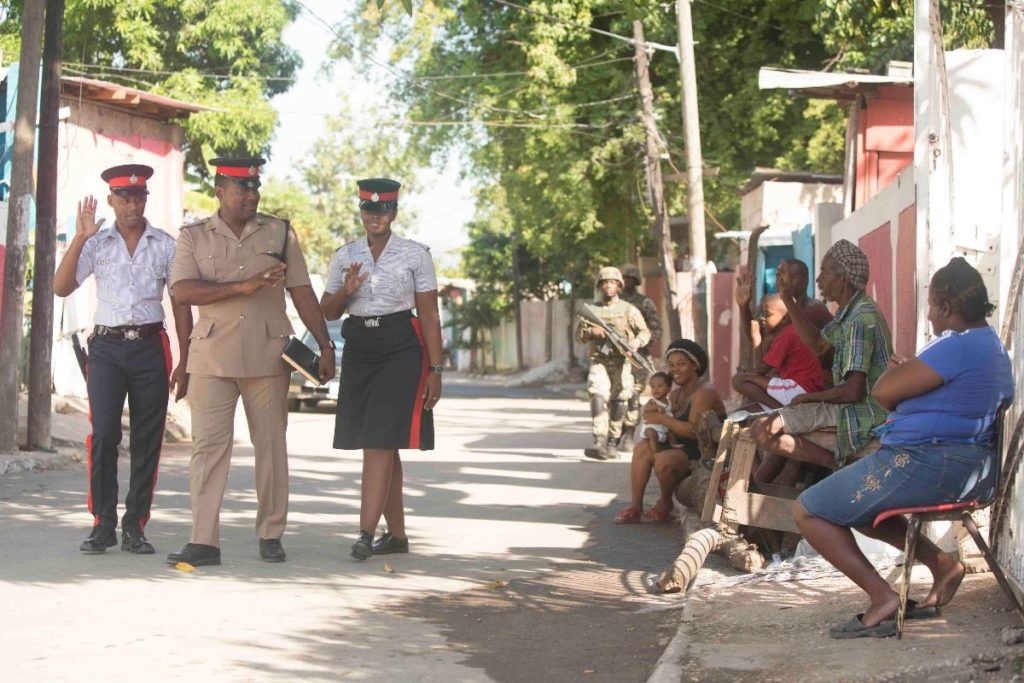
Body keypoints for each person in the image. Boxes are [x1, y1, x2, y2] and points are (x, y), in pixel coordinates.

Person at [795, 257, 1013, 639]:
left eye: (931, 305)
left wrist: (902, 373)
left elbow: (881, 392)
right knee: (857, 508)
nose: (928, 314)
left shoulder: (955, 347)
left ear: (946, 308)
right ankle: (943, 563)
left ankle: (882, 595)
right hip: (962, 466)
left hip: (926, 463)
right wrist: (915, 370)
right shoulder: (987, 344)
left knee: (808, 509)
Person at [166, 157, 335, 567]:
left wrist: (326, 344)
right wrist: (243, 285)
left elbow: (302, 292)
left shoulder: (279, 233)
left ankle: (271, 533)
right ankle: (204, 540)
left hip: (267, 353)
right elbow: (183, 290)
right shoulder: (193, 237)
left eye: (255, 188)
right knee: (207, 449)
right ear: (219, 191)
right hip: (212, 356)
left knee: (272, 446)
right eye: (242, 188)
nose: (251, 195)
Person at [53, 164, 192, 555]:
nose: (131, 204)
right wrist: (79, 238)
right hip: (107, 350)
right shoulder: (96, 244)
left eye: (138, 196)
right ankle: (103, 524)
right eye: (123, 197)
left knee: (149, 438)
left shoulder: (165, 244)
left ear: (145, 199)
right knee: (105, 435)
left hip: (150, 345)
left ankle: (135, 525)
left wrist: (186, 358)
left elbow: (181, 304)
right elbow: (62, 286)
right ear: (111, 201)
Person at [321, 178, 443, 561]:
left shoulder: (415, 255)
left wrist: (436, 369)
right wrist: (347, 288)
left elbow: (429, 314)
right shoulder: (345, 255)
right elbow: (329, 311)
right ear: (361, 212)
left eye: (384, 210)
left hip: (401, 347)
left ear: (394, 213)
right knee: (382, 442)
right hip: (360, 346)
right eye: (369, 210)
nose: (376, 216)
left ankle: (364, 532)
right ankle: (398, 536)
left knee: (378, 440)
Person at [750, 240, 892, 481]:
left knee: (761, 430)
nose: (819, 281)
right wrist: (787, 298)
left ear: (843, 278)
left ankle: (837, 464)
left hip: (860, 412)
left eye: (824, 273)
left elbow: (852, 392)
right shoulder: (850, 312)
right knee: (782, 427)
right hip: (852, 406)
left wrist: (810, 397)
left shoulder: (859, 320)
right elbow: (817, 344)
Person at [615, 339, 726, 524]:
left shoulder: (705, 391)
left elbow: (693, 431)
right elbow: (667, 425)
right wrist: (652, 411)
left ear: (695, 365)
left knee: (664, 459)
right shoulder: (675, 394)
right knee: (642, 448)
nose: (675, 369)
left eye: (681, 364)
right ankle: (636, 507)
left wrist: (660, 418)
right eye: (671, 365)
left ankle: (665, 504)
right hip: (681, 448)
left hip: (703, 455)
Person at [576, 266, 650, 461]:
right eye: (604, 283)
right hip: (599, 360)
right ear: (599, 286)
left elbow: (645, 332)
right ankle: (598, 440)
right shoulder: (592, 310)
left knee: (620, 399)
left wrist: (635, 343)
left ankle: (612, 441)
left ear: (619, 286)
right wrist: (592, 332)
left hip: (622, 362)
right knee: (598, 395)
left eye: (612, 283)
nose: (608, 286)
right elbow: (579, 336)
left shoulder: (628, 309)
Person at [736, 259, 833, 371]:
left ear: (804, 282)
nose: (779, 279)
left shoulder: (814, 308)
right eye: (777, 275)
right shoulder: (774, 303)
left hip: (810, 377)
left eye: (784, 275)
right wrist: (743, 306)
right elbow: (754, 335)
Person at [732, 294, 826, 409]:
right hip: (803, 387)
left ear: (784, 318)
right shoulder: (792, 332)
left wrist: (756, 338)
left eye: (767, 314)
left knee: (739, 380)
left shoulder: (787, 335)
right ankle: (776, 408)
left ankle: (780, 410)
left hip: (800, 388)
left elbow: (760, 370)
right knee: (746, 411)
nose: (762, 318)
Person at [619, 262, 662, 452]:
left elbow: (656, 330)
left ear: (636, 281)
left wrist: (639, 342)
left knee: (633, 397)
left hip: (637, 356)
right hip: (614, 358)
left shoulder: (645, 303)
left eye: (630, 278)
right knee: (615, 397)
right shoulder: (613, 303)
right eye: (624, 278)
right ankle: (614, 433)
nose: (627, 282)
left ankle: (628, 433)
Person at [639, 372, 672, 453]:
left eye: (660, 386)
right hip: (650, 429)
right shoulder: (652, 402)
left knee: (672, 432)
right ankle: (655, 453)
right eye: (653, 387)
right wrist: (656, 407)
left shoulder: (669, 402)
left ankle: (673, 444)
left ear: (668, 389)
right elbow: (646, 409)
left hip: (663, 430)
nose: (656, 389)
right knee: (652, 434)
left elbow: (670, 410)